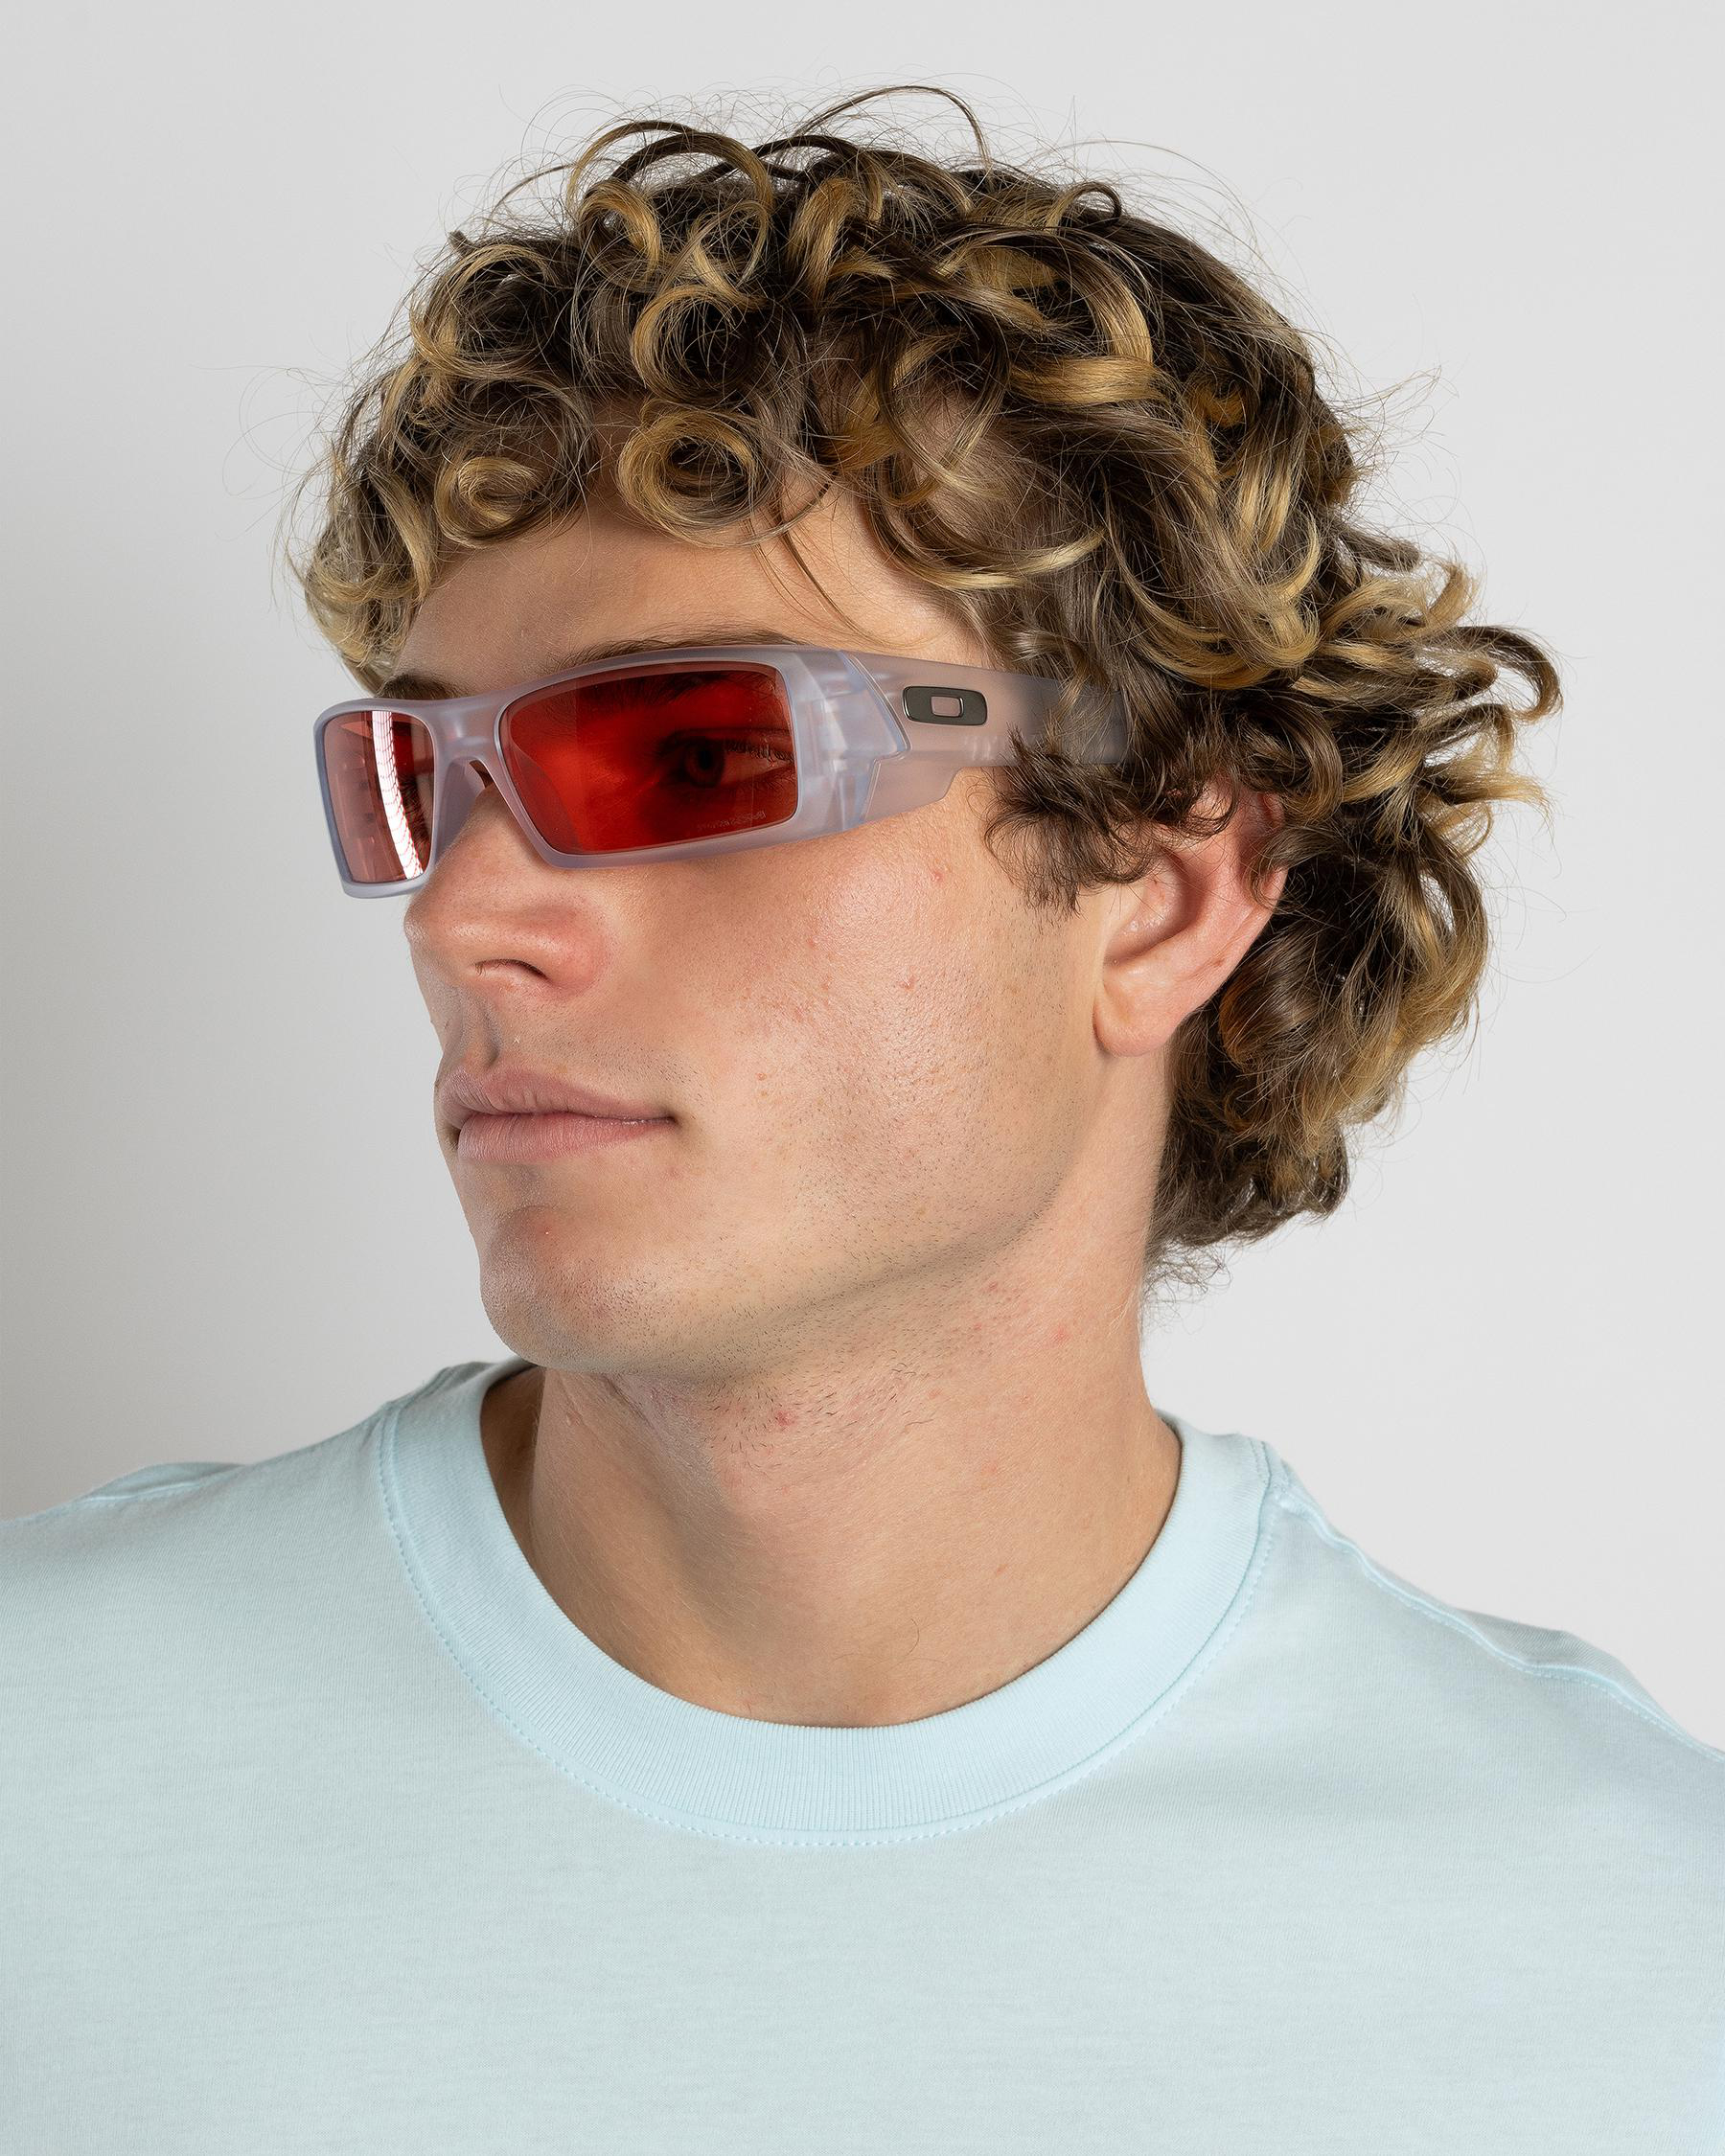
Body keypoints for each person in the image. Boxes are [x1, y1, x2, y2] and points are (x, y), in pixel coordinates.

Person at [5, 83, 1720, 2154]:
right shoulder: (40, 1774)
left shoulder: (1630, 1952)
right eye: (420, 781)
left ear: (1163, 892)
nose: (461, 915)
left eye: (692, 756)